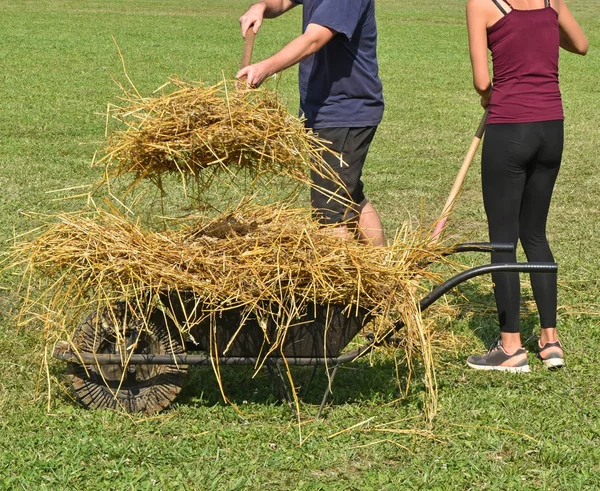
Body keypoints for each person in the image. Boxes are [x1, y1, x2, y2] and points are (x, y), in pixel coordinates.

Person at [465, 0, 587, 372]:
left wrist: (488, 96)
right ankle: (551, 342)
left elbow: (483, 82)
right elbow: (580, 44)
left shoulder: (481, 4)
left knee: (503, 238)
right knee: (534, 232)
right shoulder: (552, 1)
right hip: (551, 128)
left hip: (510, 127)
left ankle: (510, 347)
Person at [236, 0, 385, 246]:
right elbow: (283, 1)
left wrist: (265, 68)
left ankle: (343, 283)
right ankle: (387, 274)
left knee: (329, 217)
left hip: (344, 113)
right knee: (349, 198)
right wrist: (260, 6)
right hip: (328, 110)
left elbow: (314, 39)